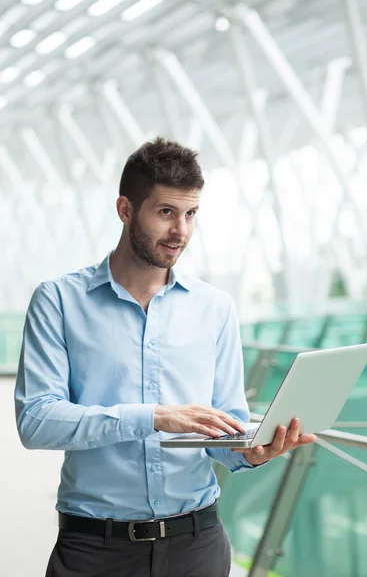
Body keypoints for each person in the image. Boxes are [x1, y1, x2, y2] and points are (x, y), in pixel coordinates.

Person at [14, 137, 317, 577]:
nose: (181, 231)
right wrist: (153, 416)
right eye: (166, 212)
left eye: (191, 214)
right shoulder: (58, 301)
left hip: (198, 544)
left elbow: (225, 422)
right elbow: (37, 422)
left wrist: (251, 452)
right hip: (96, 549)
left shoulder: (215, 308)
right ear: (125, 210)